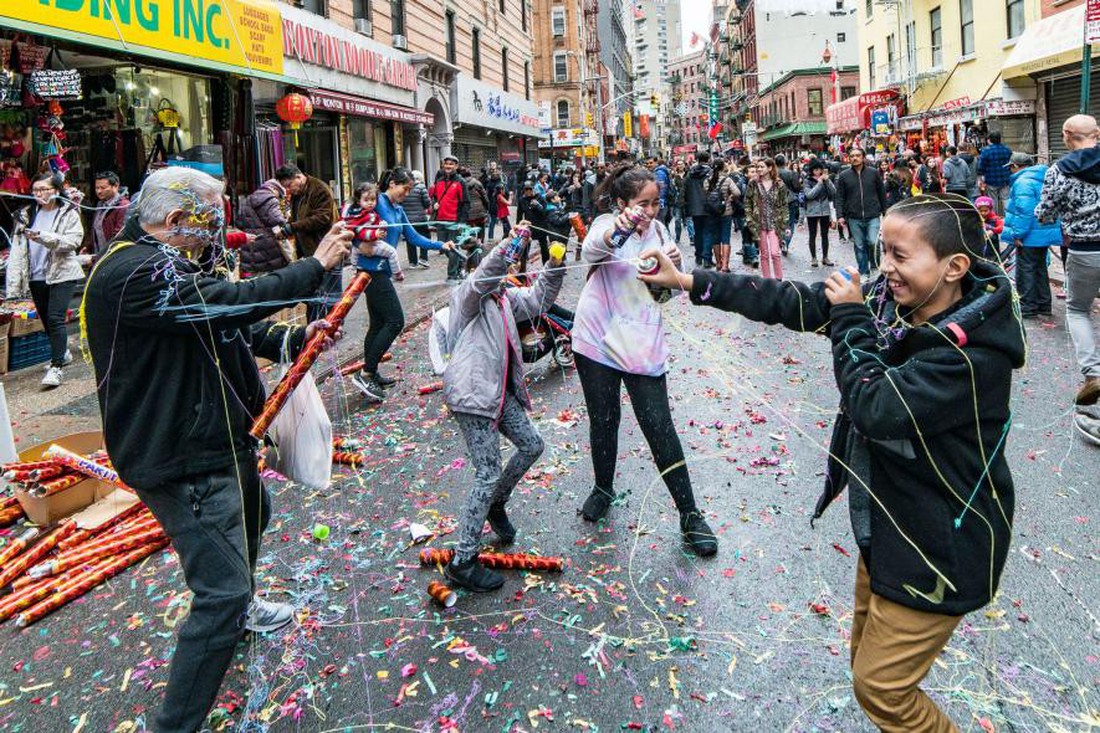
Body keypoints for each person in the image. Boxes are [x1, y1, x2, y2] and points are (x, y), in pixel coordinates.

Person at [639, 194, 1023, 733]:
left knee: (882, 689)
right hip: (892, 532)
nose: (884, 268)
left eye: (899, 255)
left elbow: (876, 407)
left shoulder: (971, 356)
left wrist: (849, 320)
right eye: (882, 251)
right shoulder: (899, 306)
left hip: (939, 548)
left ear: (954, 267)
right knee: (867, 666)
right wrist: (686, 282)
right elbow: (792, 300)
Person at [82, 167, 352, 733]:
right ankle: (174, 724)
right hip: (176, 451)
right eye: (213, 216)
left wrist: (291, 339)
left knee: (255, 512)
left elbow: (224, 328)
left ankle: (244, 610)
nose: (223, 226)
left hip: (220, 435)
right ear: (178, 220)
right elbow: (228, 304)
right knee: (220, 590)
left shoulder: (175, 260)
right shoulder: (133, 272)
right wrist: (315, 265)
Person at [573, 164, 718, 557]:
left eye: (656, 203)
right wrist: (622, 225)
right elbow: (594, 247)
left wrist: (670, 273)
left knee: (659, 426)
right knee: (603, 419)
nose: (651, 211)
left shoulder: (661, 232)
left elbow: (668, 295)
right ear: (622, 203)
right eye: (643, 204)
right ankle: (602, 487)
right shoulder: (606, 222)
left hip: (641, 341)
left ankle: (690, 514)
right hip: (597, 338)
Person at [441, 236, 566, 591]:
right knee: (487, 471)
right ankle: (462, 560)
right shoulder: (468, 297)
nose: (508, 273)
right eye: (504, 267)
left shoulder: (503, 299)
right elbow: (485, 274)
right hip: (472, 394)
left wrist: (555, 264)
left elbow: (539, 299)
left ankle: (497, 503)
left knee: (531, 444)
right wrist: (510, 246)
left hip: (495, 393)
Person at [350, 169, 455, 401]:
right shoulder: (377, 202)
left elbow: (414, 237)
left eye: (410, 190)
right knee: (396, 320)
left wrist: (441, 246)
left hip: (381, 272)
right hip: (370, 271)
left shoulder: (398, 210)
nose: (407, 194)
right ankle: (366, 372)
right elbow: (354, 220)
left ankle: (372, 372)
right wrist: (358, 243)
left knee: (378, 324)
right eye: (405, 188)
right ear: (392, 183)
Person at [1036, 114, 1100, 410]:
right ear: (1097, 133)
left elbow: (1045, 213)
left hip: (1084, 250)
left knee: (1077, 309)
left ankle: (1093, 373)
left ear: (1065, 135)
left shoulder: (1058, 171)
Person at [6, 173, 85, 388]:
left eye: (45, 189)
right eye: (36, 190)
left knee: (55, 317)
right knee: (46, 319)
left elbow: (73, 241)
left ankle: (56, 366)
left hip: (63, 273)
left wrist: (44, 236)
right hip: (36, 275)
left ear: (57, 191)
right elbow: (18, 248)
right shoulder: (27, 214)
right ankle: (64, 352)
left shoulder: (68, 212)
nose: (40, 194)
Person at [1002, 151, 1061, 319]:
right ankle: (1043, 304)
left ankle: (1028, 305)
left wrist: (1017, 233)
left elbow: (1025, 212)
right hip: (1043, 231)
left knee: (1026, 269)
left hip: (1030, 234)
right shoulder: (1042, 178)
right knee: (1040, 268)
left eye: (1011, 167)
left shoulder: (1023, 182)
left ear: (1015, 166)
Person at [287, 167, 338, 321]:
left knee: (327, 292)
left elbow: (323, 218)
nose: (289, 190)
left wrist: (293, 226)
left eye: (289, 185)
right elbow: (296, 217)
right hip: (309, 251)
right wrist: (289, 227)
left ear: (298, 177)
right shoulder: (298, 194)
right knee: (314, 293)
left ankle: (331, 325)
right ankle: (316, 325)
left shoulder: (319, 188)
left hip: (324, 248)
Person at [236, 167, 301, 277]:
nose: (279, 198)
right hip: (267, 249)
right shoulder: (269, 198)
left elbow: (239, 222)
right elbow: (277, 220)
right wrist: (287, 219)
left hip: (251, 245)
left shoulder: (251, 197)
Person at [836, 148, 888, 278]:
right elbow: (840, 197)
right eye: (852, 156)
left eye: (858, 155)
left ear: (863, 157)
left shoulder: (874, 173)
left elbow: (881, 193)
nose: (855, 158)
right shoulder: (844, 176)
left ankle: (875, 266)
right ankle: (863, 270)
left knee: (872, 241)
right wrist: (840, 216)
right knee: (859, 245)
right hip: (853, 216)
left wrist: (886, 212)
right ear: (848, 158)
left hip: (873, 214)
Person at [744, 157, 789, 280]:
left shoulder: (779, 184)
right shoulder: (753, 183)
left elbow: (784, 204)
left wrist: (785, 222)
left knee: (775, 253)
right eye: (758, 167)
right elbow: (747, 202)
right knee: (764, 254)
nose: (759, 169)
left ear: (770, 168)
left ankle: (779, 280)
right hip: (759, 223)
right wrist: (749, 219)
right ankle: (767, 281)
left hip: (775, 222)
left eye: (762, 167)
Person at [430, 154, 470, 282]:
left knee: (452, 248)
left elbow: (466, 202)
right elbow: (435, 196)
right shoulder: (439, 180)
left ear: (456, 166)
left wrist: (461, 222)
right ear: (443, 165)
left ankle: (452, 275)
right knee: (443, 247)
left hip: (454, 220)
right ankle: (461, 265)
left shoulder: (460, 181)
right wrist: (434, 203)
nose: (448, 166)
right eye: (446, 164)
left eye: (451, 164)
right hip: (440, 219)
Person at [706, 159, 740, 273]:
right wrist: (729, 198)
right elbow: (737, 193)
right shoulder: (727, 179)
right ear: (722, 167)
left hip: (712, 213)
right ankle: (725, 265)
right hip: (726, 211)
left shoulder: (707, 180)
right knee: (725, 238)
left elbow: (705, 194)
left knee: (715, 238)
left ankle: (718, 263)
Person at [802, 160, 836, 267]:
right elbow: (810, 195)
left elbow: (834, 192)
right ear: (811, 170)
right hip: (812, 211)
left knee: (825, 235)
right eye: (815, 169)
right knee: (812, 235)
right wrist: (819, 183)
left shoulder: (826, 179)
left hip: (825, 211)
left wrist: (827, 181)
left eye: (819, 169)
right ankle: (814, 258)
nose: (818, 172)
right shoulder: (807, 181)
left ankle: (825, 257)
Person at [88, 171, 130, 256]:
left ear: (116, 186)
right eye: (97, 188)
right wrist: (88, 247)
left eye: (103, 188)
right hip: (100, 255)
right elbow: (96, 230)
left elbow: (119, 236)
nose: (99, 191)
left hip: (115, 256)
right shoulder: (100, 205)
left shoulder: (123, 206)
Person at [684, 151, 714, 268]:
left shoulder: (690, 174)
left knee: (698, 232)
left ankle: (698, 256)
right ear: (708, 159)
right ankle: (707, 258)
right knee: (707, 232)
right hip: (708, 207)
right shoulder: (711, 173)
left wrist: (686, 205)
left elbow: (685, 190)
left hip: (695, 207)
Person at [977, 131, 1013, 216]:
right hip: (1005, 178)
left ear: (989, 140)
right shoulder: (1007, 149)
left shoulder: (986, 150)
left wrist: (980, 177)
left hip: (991, 179)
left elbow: (981, 166)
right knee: (1006, 199)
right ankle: (1008, 218)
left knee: (992, 200)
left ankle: (994, 218)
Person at [403, 169, 433, 269]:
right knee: (424, 237)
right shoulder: (421, 187)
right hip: (421, 219)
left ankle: (412, 261)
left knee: (410, 240)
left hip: (407, 220)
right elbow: (427, 203)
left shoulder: (405, 188)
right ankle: (423, 258)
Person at [775, 154, 802, 256]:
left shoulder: (772, 173)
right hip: (790, 200)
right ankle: (785, 242)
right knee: (789, 224)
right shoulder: (791, 173)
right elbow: (797, 188)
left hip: (775, 201)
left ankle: (779, 241)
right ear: (785, 162)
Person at [974, 195, 1004, 263]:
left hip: (992, 250)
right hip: (979, 249)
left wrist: (992, 230)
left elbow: (1001, 228)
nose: (983, 213)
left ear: (990, 209)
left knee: (993, 263)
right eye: (980, 211)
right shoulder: (974, 219)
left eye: (985, 211)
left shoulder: (995, 218)